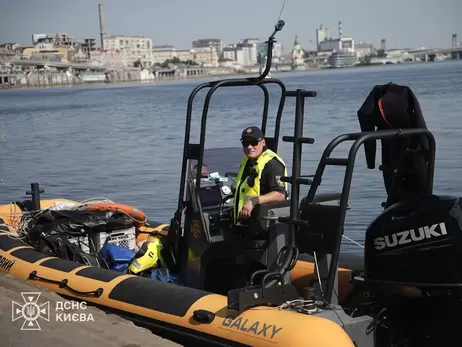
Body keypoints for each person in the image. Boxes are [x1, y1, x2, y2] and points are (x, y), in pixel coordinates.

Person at [233, 126, 288, 224]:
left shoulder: (272, 164)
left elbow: (280, 195)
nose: (249, 147)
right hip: (245, 223)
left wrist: (253, 201)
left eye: (254, 142)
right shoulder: (247, 161)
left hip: (264, 225)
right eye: (245, 143)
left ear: (263, 142)